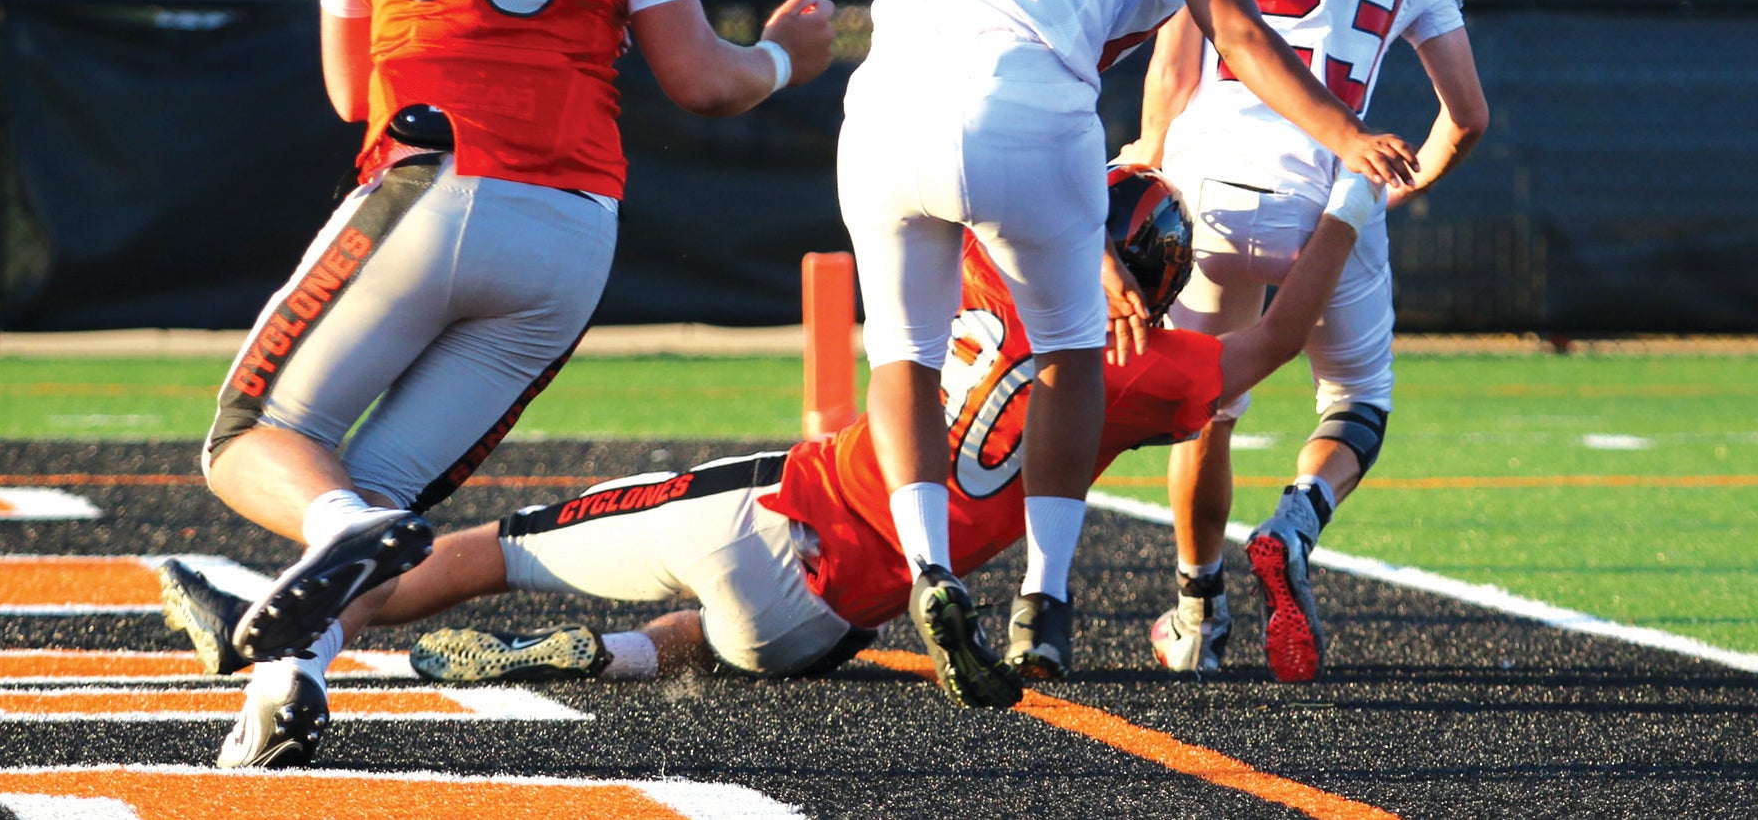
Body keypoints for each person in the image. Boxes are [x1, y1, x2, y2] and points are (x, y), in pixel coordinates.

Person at [181, 0, 835, 770]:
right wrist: (787, 55)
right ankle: (283, 691)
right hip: (572, 231)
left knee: (258, 442)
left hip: (428, 182)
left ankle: (333, 539)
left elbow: (349, 91)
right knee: (375, 488)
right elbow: (702, 80)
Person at [160, 166, 1379, 691]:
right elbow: (1270, 345)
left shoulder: (993, 268)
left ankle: (300, 627)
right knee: (741, 631)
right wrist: (1343, 199)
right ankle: (616, 657)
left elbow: (1008, 194)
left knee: (502, 543)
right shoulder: (1158, 374)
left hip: (781, 522)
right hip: (834, 623)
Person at [836, 0, 1420, 708]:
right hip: (1021, 94)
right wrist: (1343, 135)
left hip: (880, 92)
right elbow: (1230, 27)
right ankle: (1043, 605)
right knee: (1070, 352)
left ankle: (930, 573)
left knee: (903, 353)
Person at [1127, 0, 1488, 682]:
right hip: (1327, 182)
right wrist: (1390, 189)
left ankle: (1196, 617)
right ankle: (1297, 517)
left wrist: (1150, 159)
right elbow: (1467, 114)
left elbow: (1175, 55)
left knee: (1208, 408)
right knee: (1356, 399)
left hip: (1203, 181)